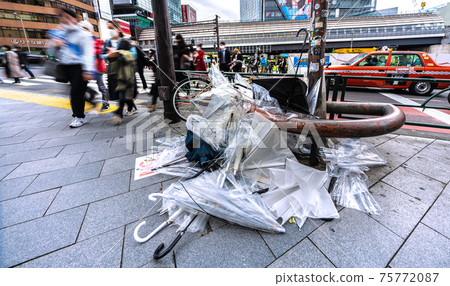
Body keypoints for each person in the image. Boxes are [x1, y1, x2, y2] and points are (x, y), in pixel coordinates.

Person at [47, 8, 94, 128]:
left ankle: (79, 117)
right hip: (64, 67)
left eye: (68, 17)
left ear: (75, 19)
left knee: (75, 93)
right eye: (62, 17)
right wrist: (55, 45)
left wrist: (87, 70)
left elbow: (88, 53)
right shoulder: (59, 34)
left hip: (79, 67)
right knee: (75, 91)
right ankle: (87, 97)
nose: (65, 20)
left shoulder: (83, 34)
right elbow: (51, 52)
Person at [78, 21, 109, 111]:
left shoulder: (97, 41)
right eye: (81, 28)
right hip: (83, 69)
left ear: (90, 30)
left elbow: (98, 53)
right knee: (80, 87)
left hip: (96, 68)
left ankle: (105, 103)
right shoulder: (79, 42)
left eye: (85, 28)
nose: (82, 30)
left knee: (101, 87)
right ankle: (92, 94)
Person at [108, 39, 138, 125]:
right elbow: (112, 67)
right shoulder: (117, 56)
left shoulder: (128, 54)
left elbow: (128, 57)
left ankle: (120, 113)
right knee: (122, 98)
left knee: (124, 98)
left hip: (128, 80)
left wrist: (118, 54)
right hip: (120, 80)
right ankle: (121, 113)